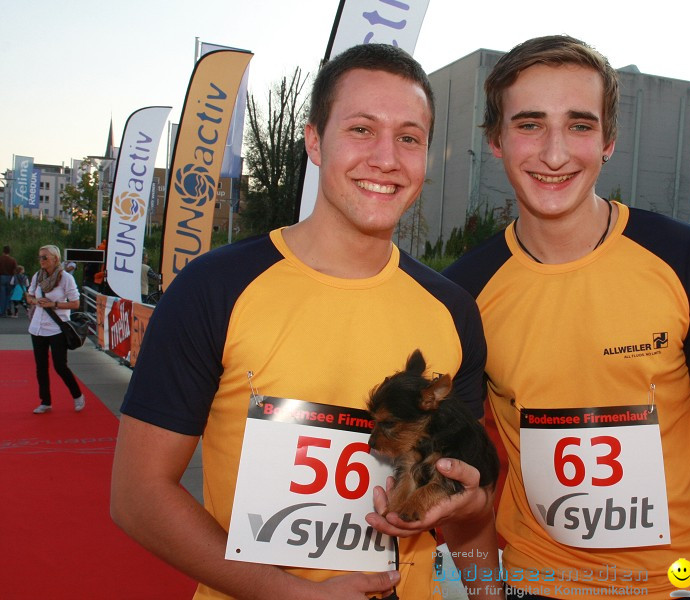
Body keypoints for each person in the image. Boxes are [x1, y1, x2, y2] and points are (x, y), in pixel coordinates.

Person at [111, 43, 499, 600]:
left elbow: (468, 515)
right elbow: (137, 496)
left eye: (409, 138)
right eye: (362, 129)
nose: (386, 158)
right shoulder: (214, 288)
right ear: (315, 140)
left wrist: (474, 510)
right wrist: (291, 594)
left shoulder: (453, 309)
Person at [443, 35, 690, 600]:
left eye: (580, 125)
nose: (555, 153)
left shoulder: (683, 257)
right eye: (530, 124)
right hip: (540, 583)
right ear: (495, 140)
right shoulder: (465, 291)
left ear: (609, 140)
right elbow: (460, 475)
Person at [25, 245, 85, 414]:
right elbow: (29, 295)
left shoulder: (65, 278)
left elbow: (75, 303)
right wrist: (35, 301)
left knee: (60, 365)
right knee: (41, 366)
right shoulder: (38, 276)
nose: (41, 260)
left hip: (57, 327)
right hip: (37, 327)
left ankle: (77, 394)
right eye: (40, 257)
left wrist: (54, 304)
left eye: (45, 257)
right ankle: (45, 401)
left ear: (55, 259)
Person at [0, 245, 18, 317]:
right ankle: (7, 309)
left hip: (1, 277)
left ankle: (2, 312)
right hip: (10, 278)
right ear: (9, 252)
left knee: (2, 295)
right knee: (8, 295)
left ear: (3, 251)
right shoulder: (12, 260)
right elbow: (15, 269)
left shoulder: (0, 259)